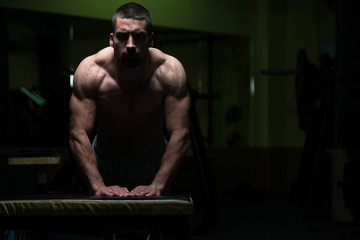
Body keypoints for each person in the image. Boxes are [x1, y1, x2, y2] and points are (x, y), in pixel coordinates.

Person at [69, 2, 190, 197]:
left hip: (155, 160)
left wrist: (159, 183)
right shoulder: (91, 71)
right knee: (105, 226)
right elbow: (78, 132)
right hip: (103, 161)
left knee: (156, 225)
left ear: (151, 40)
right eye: (123, 36)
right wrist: (98, 185)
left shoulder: (170, 71)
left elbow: (181, 133)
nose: (131, 45)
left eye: (139, 37)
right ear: (111, 39)